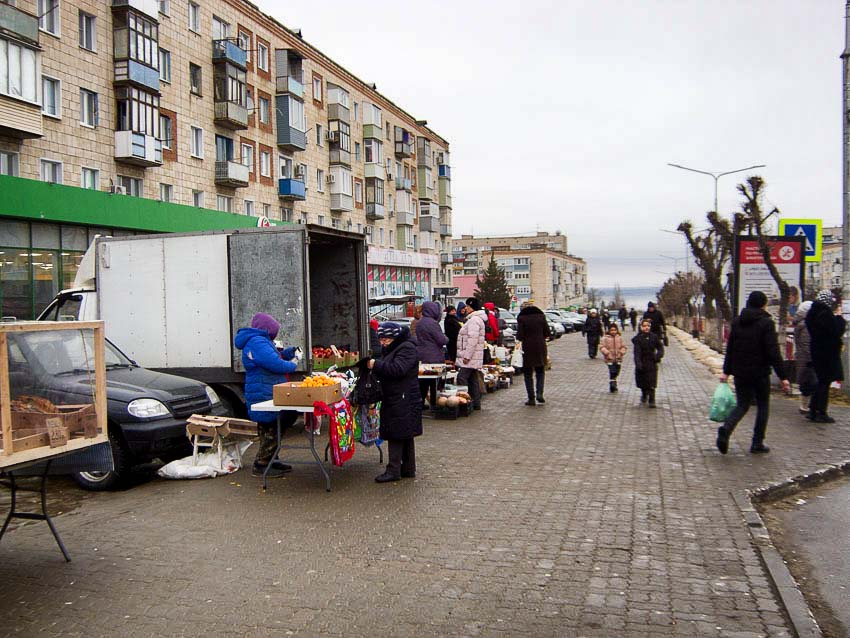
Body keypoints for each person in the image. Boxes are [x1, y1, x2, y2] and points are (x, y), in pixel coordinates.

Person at [716, 290, 791, 455]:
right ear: (763, 305)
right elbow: (773, 352)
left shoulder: (737, 322)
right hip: (760, 373)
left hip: (740, 372)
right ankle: (757, 443)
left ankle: (726, 429)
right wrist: (783, 377)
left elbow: (731, 349)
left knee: (742, 404)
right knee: (763, 406)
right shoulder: (766, 323)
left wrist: (726, 372)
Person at [234, 312, 302, 478]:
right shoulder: (257, 342)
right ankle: (262, 463)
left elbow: (274, 356)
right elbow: (275, 364)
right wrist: (293, 363)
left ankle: (272, 458)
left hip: (268, 389)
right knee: (271, 425)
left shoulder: (262, 341)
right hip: (263, 392)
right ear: (266, 329)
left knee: (279, 421)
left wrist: (288, 352)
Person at [367, 323, 422, 482]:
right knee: (405, 432)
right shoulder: (396, 347)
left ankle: (393, 470)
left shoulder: (406, 348)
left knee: (396, 432)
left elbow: (398, 369)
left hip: (402, 396)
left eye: (385, 339)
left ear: (394, 337)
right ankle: (408, 468)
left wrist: (375, 364)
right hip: (399, 395)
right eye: (381, 339)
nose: (382, 342)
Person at [805, 289, 846, 423]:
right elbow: (836, 331)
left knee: (820, 381)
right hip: (827, 354)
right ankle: (820, 412)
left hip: (817, 351)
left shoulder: (812, 313)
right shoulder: (825, 314)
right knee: (824, 383)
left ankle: (813, 410)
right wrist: (839, 317)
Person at [455, 297, 487, 410]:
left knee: (461, 377)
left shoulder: (474, 320)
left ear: (472, 308)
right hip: (473, 356)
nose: (466, 308)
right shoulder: (475, 319)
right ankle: (476, 403)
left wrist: (467, 356)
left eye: (468, 306)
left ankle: (465, 401)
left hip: (470, 356)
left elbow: (472, 340)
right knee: (473, 378)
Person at [416, 301, 448, 408]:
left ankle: (420, 404)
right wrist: (446, 338)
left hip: (422, 356)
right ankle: (434, 405)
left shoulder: (420, 322)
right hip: (433, 357)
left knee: (423, 383)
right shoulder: (432, 323)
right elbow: (441, 340)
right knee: (434, 382)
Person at [516, 301, 548, 405]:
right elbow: (547, 332)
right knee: (540, 371)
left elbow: (520, 335)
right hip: (540, 346)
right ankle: (539, 393)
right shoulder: (541, 316)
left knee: (528, 374)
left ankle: (531, 398)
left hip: (527, 347)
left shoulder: (522, 318)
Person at [632, 319, 664, 407]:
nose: (646, 328)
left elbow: (660, 348)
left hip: (651, 362)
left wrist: (658, 356)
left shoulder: (654, 337)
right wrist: (638, 363)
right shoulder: (638, 339)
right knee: (643, 381)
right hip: (642, 362)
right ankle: (644, 393)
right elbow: (636, 353)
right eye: (644, 326)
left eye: (648, 326)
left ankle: (652, 399)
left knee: (652, 381)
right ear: (641, 327)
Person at [792, 301, 814, 415]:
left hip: (801, 356)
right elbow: (807, 344)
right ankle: (805, 406)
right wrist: (811, 358)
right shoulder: (806, 325)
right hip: (806, 358)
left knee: (806, 381)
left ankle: (804, 405)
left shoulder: (800, 323)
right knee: (808, 381)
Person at [600, 323, 627, 393]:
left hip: (618, 358)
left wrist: (621, 352)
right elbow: (602, 347)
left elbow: (624, 346)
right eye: (611, 330)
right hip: (609, 358)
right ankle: (612, 384)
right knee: (612, 371)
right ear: (609, 331)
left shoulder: (619, 338)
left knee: (617, 371)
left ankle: (614, 381)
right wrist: (607, 353)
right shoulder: (605, 338)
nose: (613, 332)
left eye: (615, 330)